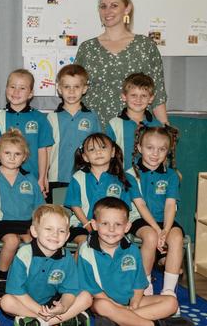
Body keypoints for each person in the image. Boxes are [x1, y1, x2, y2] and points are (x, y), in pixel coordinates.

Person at [78, 197, 182, 326]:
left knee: (171, 303)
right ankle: (148, 324)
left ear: (127, 227)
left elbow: (139, 283)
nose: (111, 229)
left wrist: (135, 303)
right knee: (102, 306)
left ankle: (122, 320)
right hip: (104, 301)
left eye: (118, 224)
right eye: (105, 224)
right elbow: (91, 288)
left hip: (131, 302)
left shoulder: (132, 250)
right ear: (94, 225)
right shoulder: (86, 251)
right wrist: (116, 306)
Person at [75, 0, 168, 127]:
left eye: (114, 5)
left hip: (135, 129)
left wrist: (164, 126)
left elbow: (158, 93)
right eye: (103, 6)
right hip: (94, 130)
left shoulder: (145, 46)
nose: (107, 11)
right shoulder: (87, 48)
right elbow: (75, 90)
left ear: (127, 8)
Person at [0, 129, 45, 297]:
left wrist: (38, 227)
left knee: (33, 243)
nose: (12, 157)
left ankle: (28, 278)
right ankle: (2, 277)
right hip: (1, 222)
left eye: (17, 154)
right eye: (7, 153)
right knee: (12, 240)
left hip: (26, 223)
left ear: (24, 157)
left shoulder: (29, 179)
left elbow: (39, 208)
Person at [1, 204, 92, 325]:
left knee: (86, 297)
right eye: (48, 229)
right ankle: (57, 320)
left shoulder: (67, 257)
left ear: (67, 236)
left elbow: (70, 291)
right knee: (6, 302)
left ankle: (42, 322)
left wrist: (63, 306)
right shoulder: (24, 254)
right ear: (34, 231)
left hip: (52, 304)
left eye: (61, 231)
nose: (55, 234)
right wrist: (40, 311)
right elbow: (17, 291)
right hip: (26, 303)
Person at [127, 125, 184, 297]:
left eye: (161, 149)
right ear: (139, 148)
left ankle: (168, 291)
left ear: (168, 152)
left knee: (176, 237)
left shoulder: (171, 175)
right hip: (140, 219)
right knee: (151, 236)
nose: (155, 153)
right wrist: (159, 231)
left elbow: (169, 205)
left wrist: (166, 230)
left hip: (164, 220)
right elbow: (141, 205)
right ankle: (145, 288)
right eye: (150, 148)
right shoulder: (131, 174)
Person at [64, 133, 143, 247]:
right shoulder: (79, 177)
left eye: (103, 147)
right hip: (82, 224)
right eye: (92, 149)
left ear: (112, 152)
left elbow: (124, 209)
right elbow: (75, 205)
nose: (98, 152)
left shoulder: (123, 178)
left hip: (113, 227)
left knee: (117, 246)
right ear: (85, 157)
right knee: (85, 244)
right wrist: (87, 225)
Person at [0, 69, 54, 197]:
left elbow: (43, 151)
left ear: (30, 93)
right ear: (6, 89)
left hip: (33, 179)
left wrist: (42, 178)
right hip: (4, 180)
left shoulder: (40, 119)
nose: (16, 92)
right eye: (12, 87)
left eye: (22, 88)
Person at [46, 64, 101, 199]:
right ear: (59, 89)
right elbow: (46, 149)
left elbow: (98, 147)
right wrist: (44, 176)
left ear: (84, 89)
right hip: (58, 178)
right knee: (60, 215)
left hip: (86, 176)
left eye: (76, 87)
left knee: (83, 215)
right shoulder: (52, 117)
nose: (71, 92)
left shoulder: (91, 117)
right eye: (67, 87)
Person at [106, 73, 163, 170]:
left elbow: (163, 153)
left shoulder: (157, 125)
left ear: (151, 98)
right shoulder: (114, 124)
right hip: (122, 179)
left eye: (143, 96)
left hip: (149, 179)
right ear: (124, 96)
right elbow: (107, 154)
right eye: (133, 95)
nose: (138, 99)